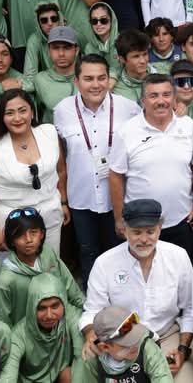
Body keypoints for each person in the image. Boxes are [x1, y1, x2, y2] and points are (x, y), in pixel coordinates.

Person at [79, 199, 193, 382]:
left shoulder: (178, 257)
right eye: (136, 232)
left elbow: (190, 308)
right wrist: (89, 334)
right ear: (123, 230)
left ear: (160, 229)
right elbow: (93, 311)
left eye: (150, 232)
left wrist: (182, 349)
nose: (144, 239)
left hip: (166, 336)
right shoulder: (105, 263)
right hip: (122, 341)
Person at [53, 54, 140, 283]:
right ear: (76, 81)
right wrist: (62, 199)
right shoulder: (62, 110)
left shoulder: (128, 108)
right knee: (88, 251)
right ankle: (94, 302)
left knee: (119, 251)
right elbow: (60, 158)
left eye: (101, 78)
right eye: (88, 78)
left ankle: (120, 299)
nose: (96, 85)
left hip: (119, 198)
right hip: (82, 197)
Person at [110, 74, 193, 251]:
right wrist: (120, 218)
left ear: (174, 98)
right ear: (143, 100)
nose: (161, 101)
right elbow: (115, 176)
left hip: (182, 220)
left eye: (166, 95)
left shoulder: (188, 126)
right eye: (153, 96)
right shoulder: (127, 131)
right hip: (140, 225)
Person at [0, 89, 69, 256]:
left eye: (22, 111)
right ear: (1, 118)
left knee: (50, 266)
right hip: (10, 223)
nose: (17, 118)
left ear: (32, 112)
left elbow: (61, 170)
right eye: (9, 113)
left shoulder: (49, 133)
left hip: (49, 215)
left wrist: (63, 202)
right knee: (13, 274)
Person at [0, 207, 84, 326]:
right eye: (20, 235)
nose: (28, 240)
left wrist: (87, 314)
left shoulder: (47, 253)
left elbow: (70, 287)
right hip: (27, 334)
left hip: (61, 321)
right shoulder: (4, 280)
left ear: (42, 234)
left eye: (33, 233)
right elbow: (2, 323)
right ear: (11, 240)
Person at [0, 274, 81, 383]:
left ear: (63, 304)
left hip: (60, 377)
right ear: (31, 307)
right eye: (42, 308)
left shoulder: (71, 315)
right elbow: (8, 375)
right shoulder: (18, 335)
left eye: (55, 306)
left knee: (70, 374)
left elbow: (82, 356)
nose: (49, 315)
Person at [79, 306, 175, 382]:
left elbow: (163, 378)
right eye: (127, 343)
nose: (135, 345)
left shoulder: (147, 347)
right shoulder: (92, 357)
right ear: (105, 347)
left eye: (136, 337)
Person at [34, 26, 79, 123]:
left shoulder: (88, 76)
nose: (61, 53)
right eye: (55, 48)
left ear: (76, 50)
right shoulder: (40, 79)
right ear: (48, 51)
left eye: (66, 48)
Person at [22, 1, 62, 82]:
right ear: (39, 23)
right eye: (44, 20)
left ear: (59, 20)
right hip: (48, 83)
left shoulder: (71, 36)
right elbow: (30, 74)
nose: (50, 23)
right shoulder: (35, 39)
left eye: (54, 19)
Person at [82, 2, 122, 78]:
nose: (98, 24)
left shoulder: (123, 42)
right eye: (94, 21)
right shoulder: (89, 47)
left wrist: (113, 77)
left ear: (112, 20)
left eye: (103, 20)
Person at [113, 29, 153, 103]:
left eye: (145, 54)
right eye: (136, 56)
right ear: (122, 59)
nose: (143, 61)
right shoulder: (115, 88)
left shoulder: (162, 74)